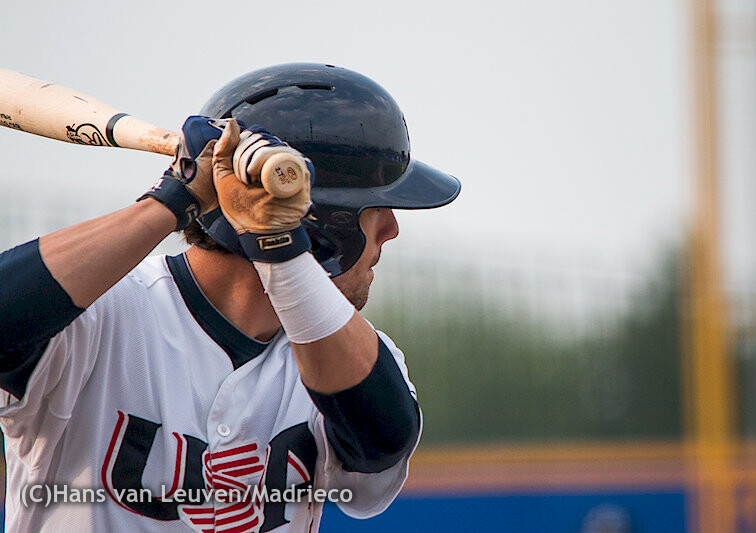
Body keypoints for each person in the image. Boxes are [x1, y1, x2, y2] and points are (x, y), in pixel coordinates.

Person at [0, 63, 460, 532]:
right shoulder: (97, 314)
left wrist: (281, 250)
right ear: (328, 223)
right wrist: (171, 201)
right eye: (377, 208)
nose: (392, 229)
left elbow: (381, 445)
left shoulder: (344, 353)